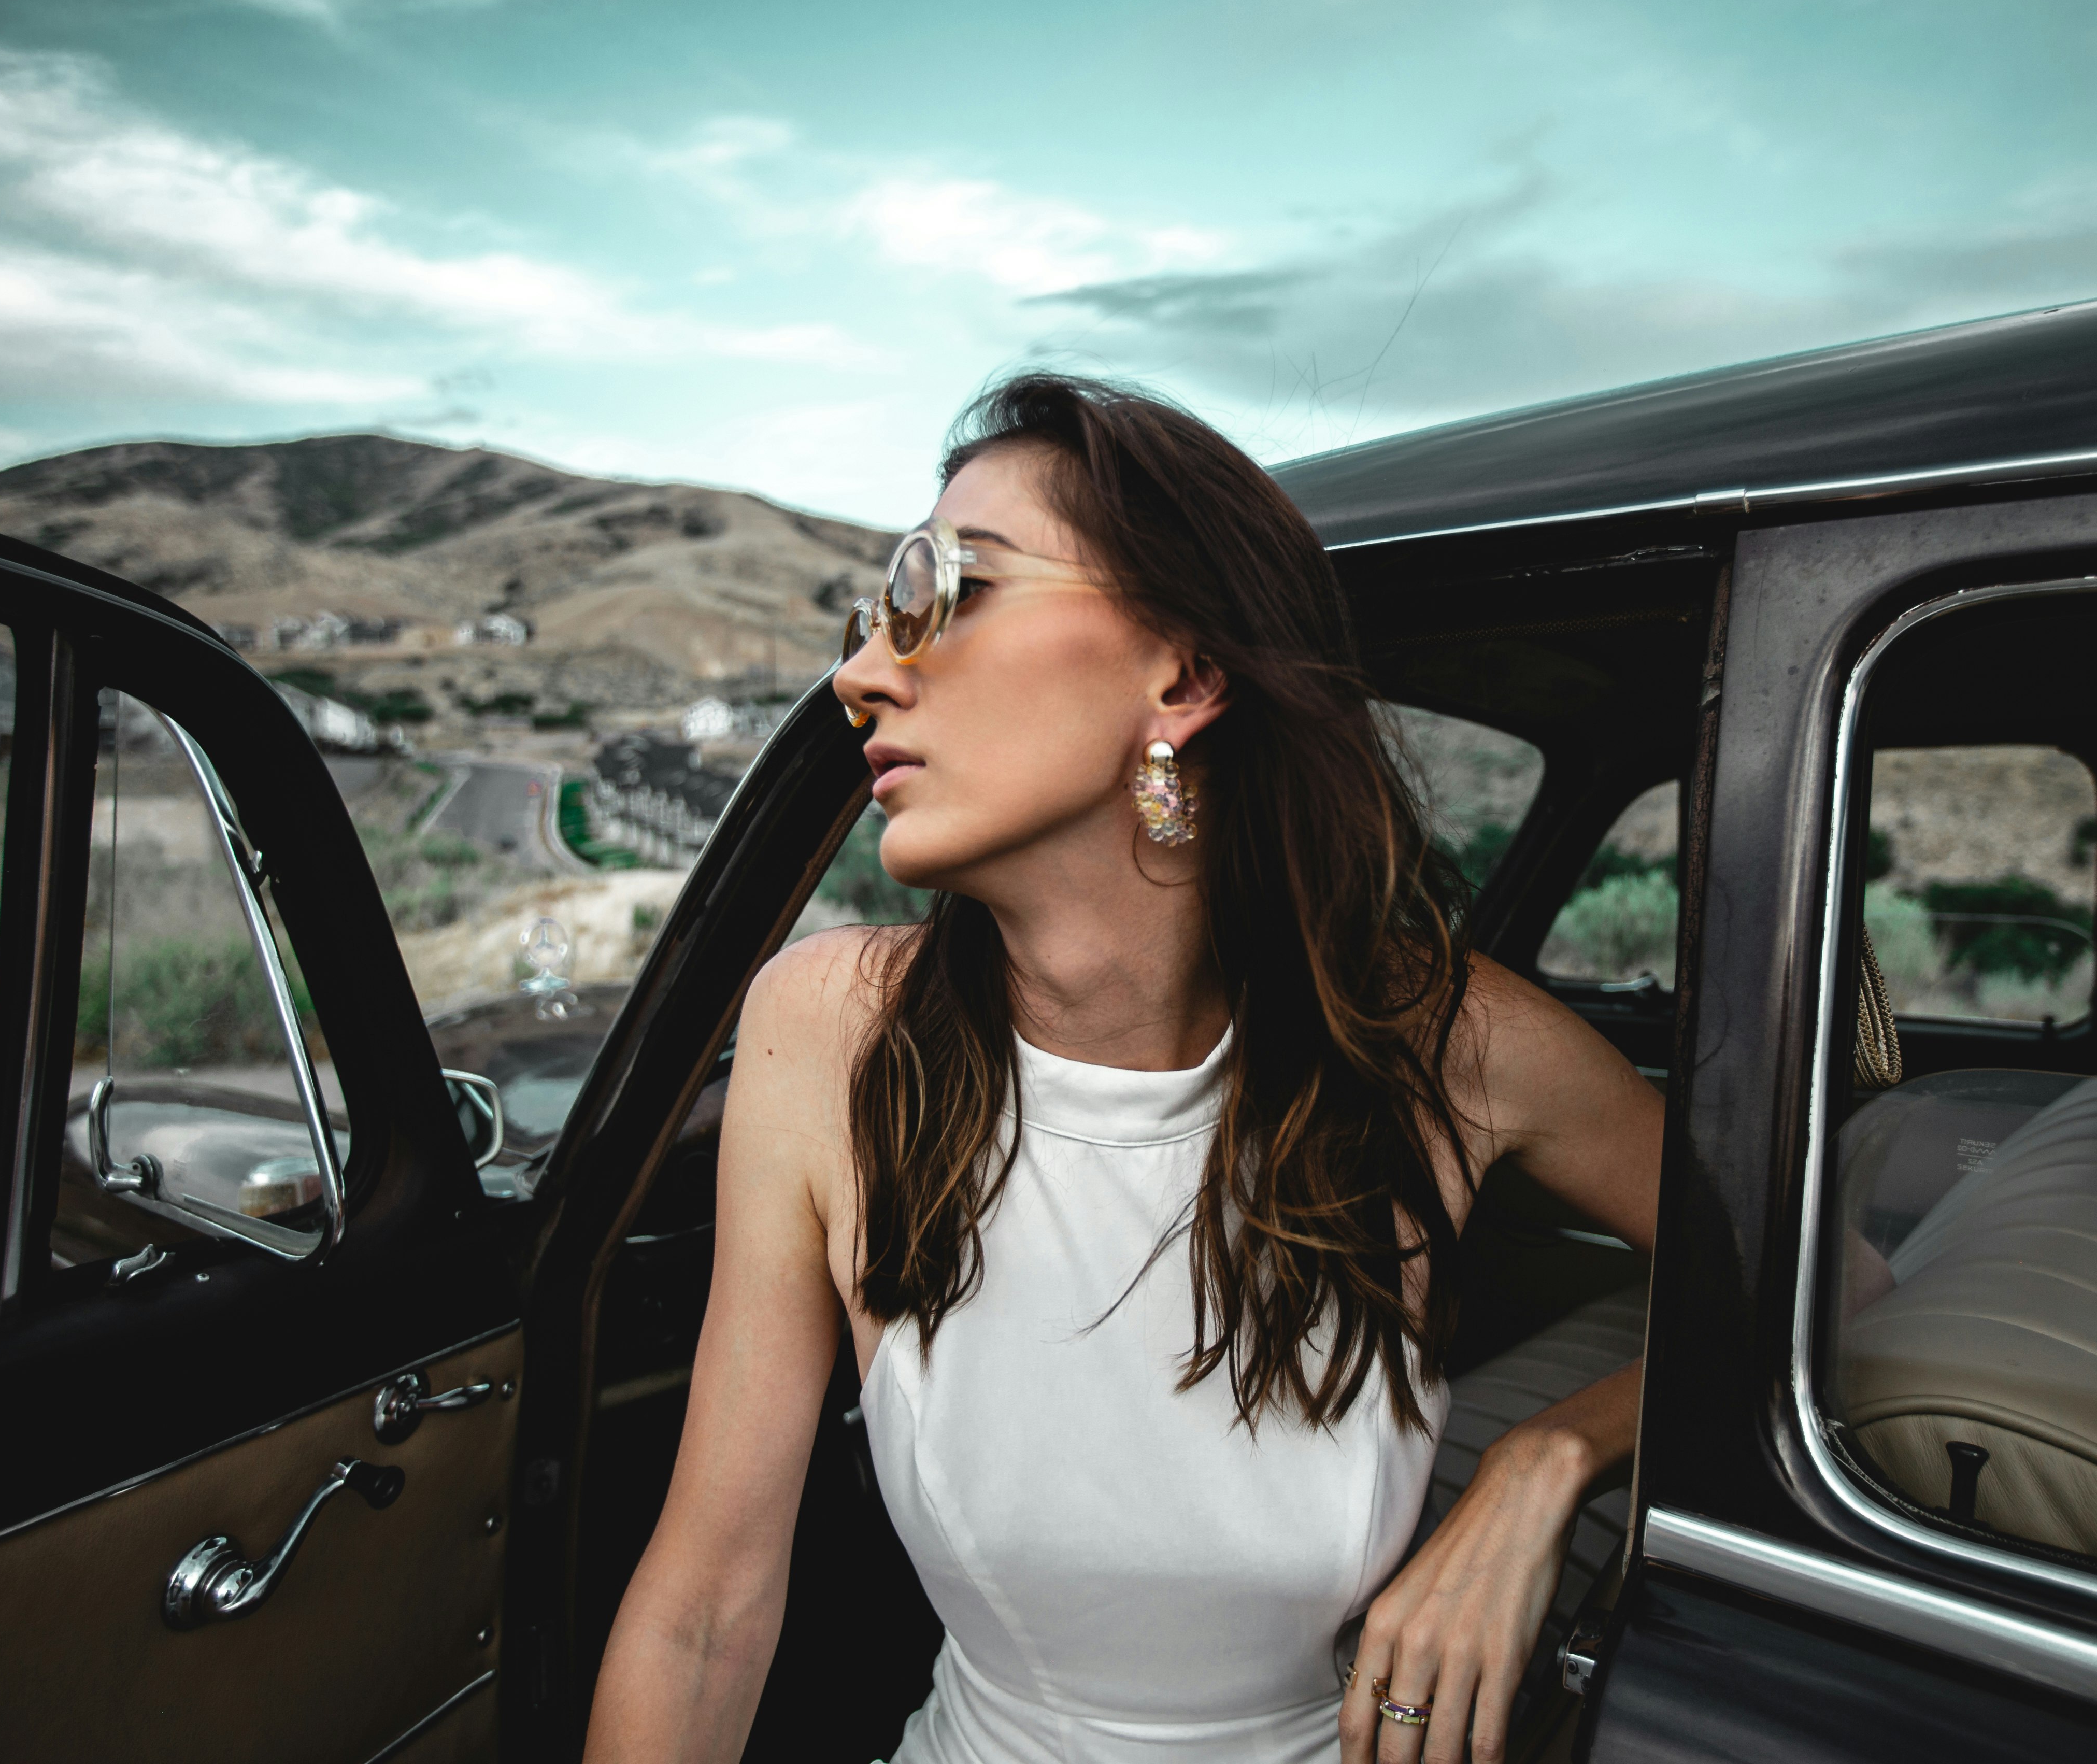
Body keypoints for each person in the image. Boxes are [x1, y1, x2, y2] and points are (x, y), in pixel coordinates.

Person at [584, 374, 1662, 1764]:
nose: (862, 674)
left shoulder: (1448, 1043)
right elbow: (708, 1611)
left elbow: (1803, 1294)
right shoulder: (830, 1032)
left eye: (952, 591)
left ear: (1186, 675)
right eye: (874, 617)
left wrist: (1549, 1464)